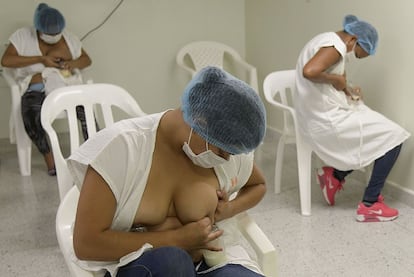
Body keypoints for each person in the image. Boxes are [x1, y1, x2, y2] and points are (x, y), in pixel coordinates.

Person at [67, 66, 268, 277]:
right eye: (222, 150)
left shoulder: (226, 142)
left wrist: (229, 209)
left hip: (211, 263)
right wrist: (176, 239)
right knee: (173, 263)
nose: (225, 159)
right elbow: (86, 243)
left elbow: (259, 184)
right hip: (138, 263)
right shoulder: (122, 148)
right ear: (200, 123)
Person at [295, 14, 410, 222]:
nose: (352, 56)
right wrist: (338, 79)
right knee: (394, 137)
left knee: (381, 131)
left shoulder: (328, 40)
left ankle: (334, 176)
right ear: (354, 40)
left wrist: (347, 90)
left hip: (321, 113)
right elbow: (310, 71)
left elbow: (325, 79)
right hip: (324, 119)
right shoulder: (335, 47)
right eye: (358, 53)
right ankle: (370, 204)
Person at [1, 3, 92, 176]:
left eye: (56, 34)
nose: (53, 37)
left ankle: (95, 157)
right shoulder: (22, 36)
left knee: (87, 112)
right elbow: (6, 61)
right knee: (31, 114)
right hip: (36, 86)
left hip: (64, 85)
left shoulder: (69, 39)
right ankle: (50, 160)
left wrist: (70, 64)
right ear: (38, 29)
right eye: (49, 34)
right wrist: (42, 60)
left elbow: (87, 60)